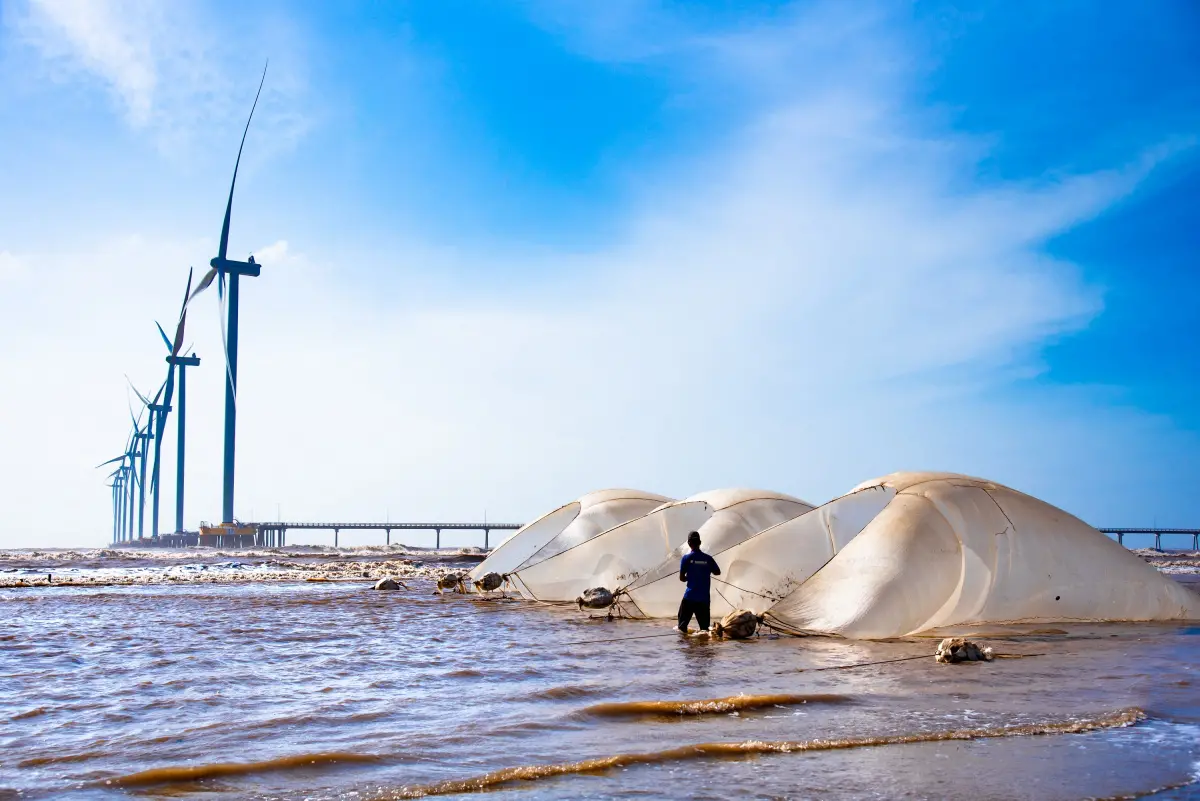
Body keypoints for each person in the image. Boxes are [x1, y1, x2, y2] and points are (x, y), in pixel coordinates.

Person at [677, 531, 721, 633]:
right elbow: (717, 572)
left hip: (689, 598)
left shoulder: (686, 558)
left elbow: (682, 578)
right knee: (705, 630)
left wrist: (690, 577)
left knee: (682, 628)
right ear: (700, 542)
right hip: (703, 599)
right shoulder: (708, 559)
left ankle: (684, 647)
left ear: (689, 543)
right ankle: (703, 649)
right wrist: (705, 570)